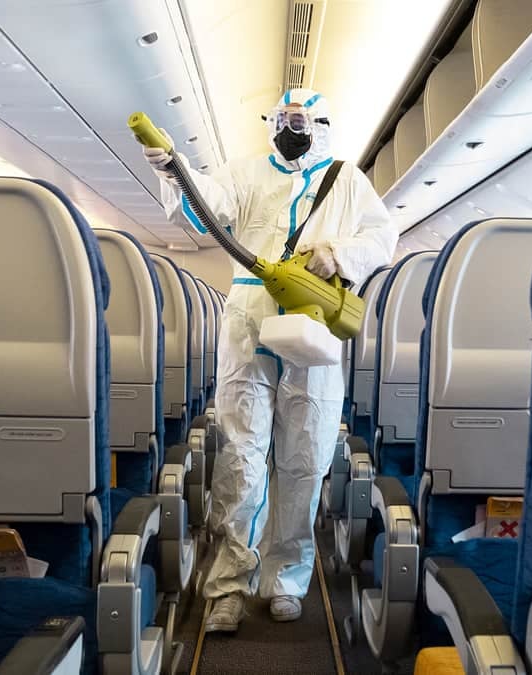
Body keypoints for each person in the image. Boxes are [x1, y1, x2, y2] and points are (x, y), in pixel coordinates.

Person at [145, 88, 396, 632]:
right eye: (283, 119)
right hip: (249, 324)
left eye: (301, 120)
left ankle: (285, 579)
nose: (292, 127)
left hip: (312, 328)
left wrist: (340, 255)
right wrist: (174, 169)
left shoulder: (348, 180)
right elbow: (205, 207)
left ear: (323, 124)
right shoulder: (246, 172)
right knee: (241, 457)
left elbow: (382, 236)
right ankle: (229, 586)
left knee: (303, 462)